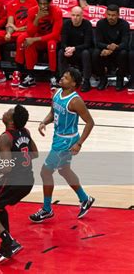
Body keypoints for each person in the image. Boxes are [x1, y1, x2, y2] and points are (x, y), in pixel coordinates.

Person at [29, 67, 95, 223]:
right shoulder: (57, 93)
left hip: (67, 141)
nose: (61, 79)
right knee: (64, 171)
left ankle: (46, 209)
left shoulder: (75, 101)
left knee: (45, 172)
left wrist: (79, 144)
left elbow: (90, 123)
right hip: (58, 137)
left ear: (73, 84)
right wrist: (44, 121)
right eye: (63, 76)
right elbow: (53, 113)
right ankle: (85, 199)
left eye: (66, 78)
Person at [0, 104, 38, 263]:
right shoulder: (25, 132)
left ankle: (9, 242)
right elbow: (35, 154)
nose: (5, 112)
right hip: (28, 180)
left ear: (11, 121)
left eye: (8, 112)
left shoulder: (5, 138)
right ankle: (6, 246)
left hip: (13, 180)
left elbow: (6, 168)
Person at [16, 0, 63, 89]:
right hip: (38, 38)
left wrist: (35, 39)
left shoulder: (57, 11)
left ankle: (53, 77)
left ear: (50, 3)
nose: (43, 6)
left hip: (51, 39)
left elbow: (55, 34)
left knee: (51, 44)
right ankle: (31, 76)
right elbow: (30, 33)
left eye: (45, 4)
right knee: (28, 41)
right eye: (40, 4)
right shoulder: (32, 11)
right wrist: (37, 18)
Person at [92, 4, 130, 91]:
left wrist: (112, 49)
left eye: (113, 15)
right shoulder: (100, 23)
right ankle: (103, 79)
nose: (110, 17)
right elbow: (97, 42)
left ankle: (119, 80)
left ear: (118, 15)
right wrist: (108, 47)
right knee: (95, 53)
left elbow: (125, 43)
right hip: (104, 49)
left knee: (124, 53)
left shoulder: (124, 24)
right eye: (108, 15)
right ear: (106, 14)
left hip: (118, 50)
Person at [58, 6, 93, 92]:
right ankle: (63, 79)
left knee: (86, 53)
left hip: (81, 50)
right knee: (61, 52)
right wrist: (67, 49)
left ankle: (86, 81)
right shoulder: (66, 24)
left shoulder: (87, 24)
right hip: (70, 50)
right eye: (73, 15)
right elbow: (63, 42)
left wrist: (74, 48)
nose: (75, 18)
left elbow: (87, 44)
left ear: (82, 16)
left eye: (77, 15)